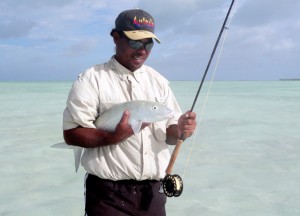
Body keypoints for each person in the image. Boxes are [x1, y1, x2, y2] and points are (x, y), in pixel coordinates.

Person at [63, 8, 197, 216]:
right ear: (116, 38)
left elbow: (170, 135)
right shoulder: (91, 79)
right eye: (135, 42)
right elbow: (71, 134)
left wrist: (181, 130)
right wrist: (112, 137)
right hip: (108, 195)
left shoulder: (159, 82)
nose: (142, 50)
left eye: (148, 43)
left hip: (153, 194)